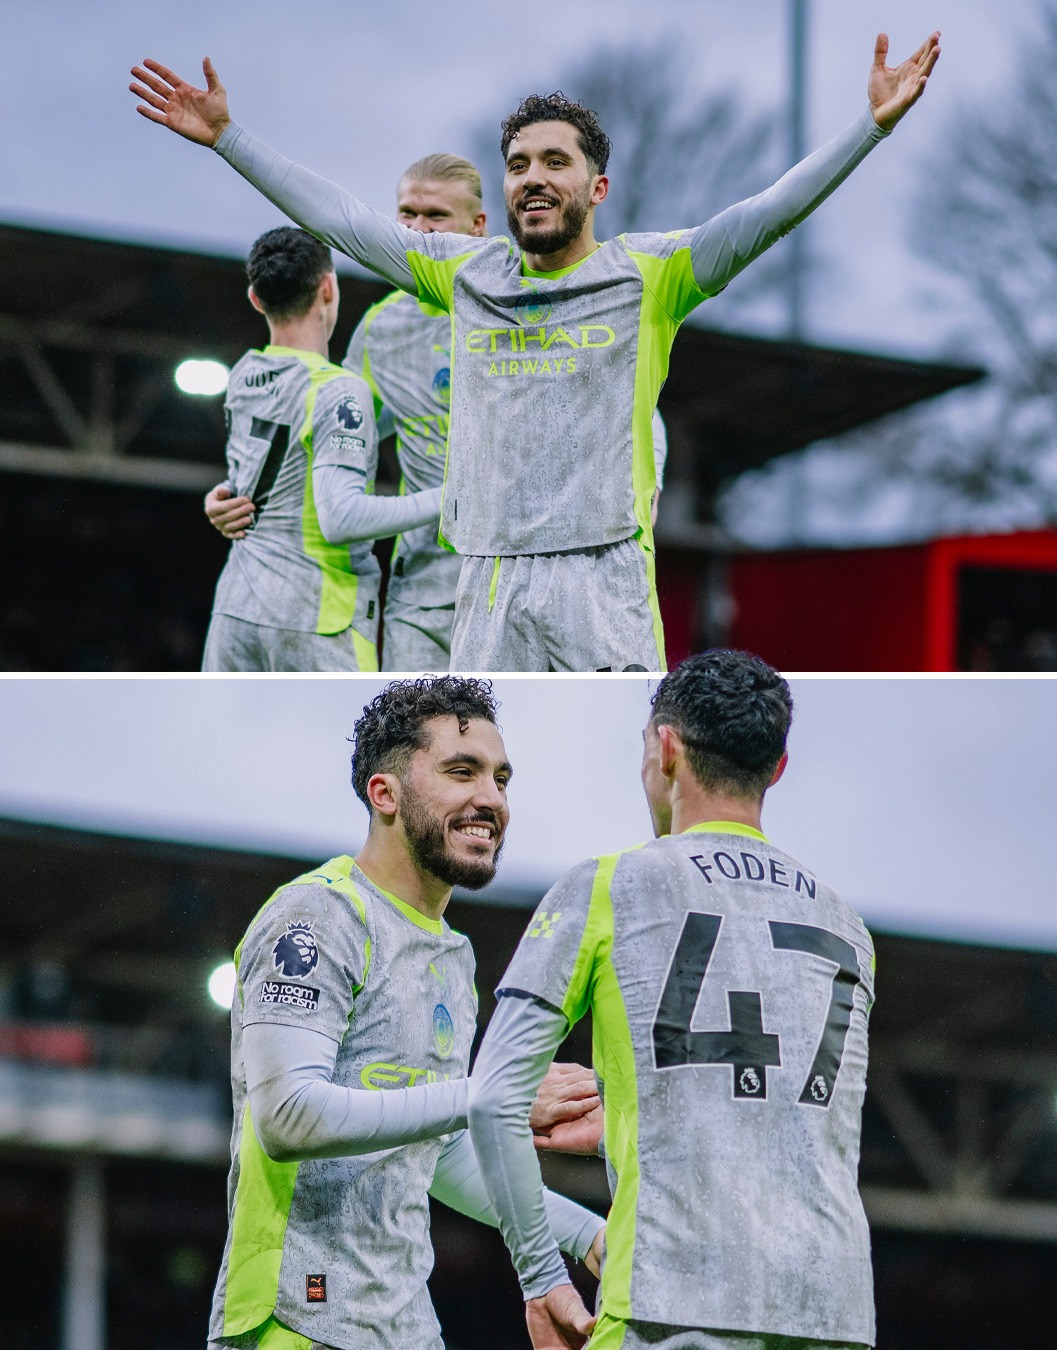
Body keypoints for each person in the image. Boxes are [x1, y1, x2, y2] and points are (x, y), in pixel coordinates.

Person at [130, 32, 939, 671]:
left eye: (557, 161)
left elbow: (768, 214)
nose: (533, 177)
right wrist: (229, 138)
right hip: (487, 579)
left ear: (597, 189)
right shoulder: (467, 275)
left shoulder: (650, 276)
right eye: (518, 164)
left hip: (605, 581)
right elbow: (345, 221)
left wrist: (867, 128)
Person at [468, 650, 877, 1350]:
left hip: (673, 1298)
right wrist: (637, 1108)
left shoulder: (608, 887)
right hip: (831, 1310)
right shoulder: (848, 925)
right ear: (776, 767)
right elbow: (782, 1103)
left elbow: (489, 1100)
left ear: (666, 749)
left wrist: (543, 1277)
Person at [209, 676, 605, 1350]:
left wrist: (586, 1233)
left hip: (405, 1329)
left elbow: (438, 1153)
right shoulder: (317, 917)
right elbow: (287, 1117)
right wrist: (491, 1095)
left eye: (501, 779)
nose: (491, 798)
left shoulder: (453, 955)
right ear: (384, 794)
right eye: (462, 771)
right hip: (293, 1322)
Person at [207, 158, 667, 673]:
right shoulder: (381, 330)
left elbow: (633, 407)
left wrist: (650, 481)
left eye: (435, 216)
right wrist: (235, 493)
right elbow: (329, 441)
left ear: (477, 228)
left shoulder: (530, 302)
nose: (417, 230)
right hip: (422, 593)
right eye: (407, 214)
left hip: (524, 584)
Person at [202, 226, 442, 671]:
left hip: (236, 609)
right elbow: (343, 518)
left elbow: (252, 481)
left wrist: (215, 498)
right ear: (328, 287)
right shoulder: (338, 390)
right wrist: (448, 500)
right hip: (316, 615)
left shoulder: (242, 375)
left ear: (256, 298)